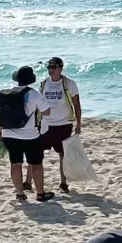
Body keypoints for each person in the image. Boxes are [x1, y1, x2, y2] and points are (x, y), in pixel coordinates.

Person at [0, 66, 53, 202]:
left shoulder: (6, 94)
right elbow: (47, 112)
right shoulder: (33, 94)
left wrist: (0, 133)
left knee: (15, 164)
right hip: (29, 135)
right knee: (36, 164)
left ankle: (20, 194)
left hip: (9, 134)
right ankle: (40, 193)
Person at [38, 56, 82, 193]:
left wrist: (79, 124)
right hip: (46, 124)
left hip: (63, 124)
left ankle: (63, 183)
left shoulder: (69, 84)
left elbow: (76, 105)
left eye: (53, 67)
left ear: (60, 68)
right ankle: (29, 183)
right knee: (37, 153)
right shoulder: (44, 83)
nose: (50, 70)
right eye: (48, 67)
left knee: (62, 154)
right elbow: (38, 103)